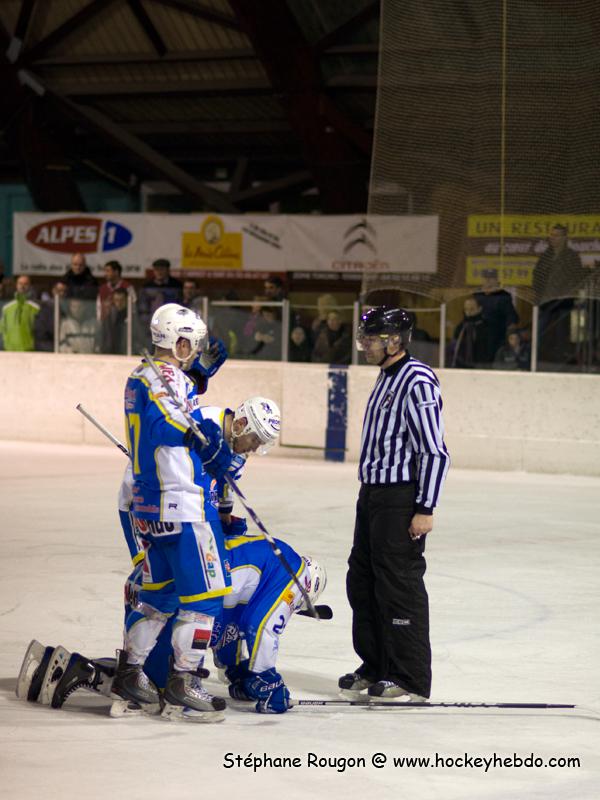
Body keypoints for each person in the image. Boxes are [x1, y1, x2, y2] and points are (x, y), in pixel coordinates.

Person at [15, 526, 327, 717]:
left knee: (149, 681)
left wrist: (237, 672)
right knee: (158, 690)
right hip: (185, 590)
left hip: (156, 581)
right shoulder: (294, 574)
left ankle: (49, 666)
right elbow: (263, 626)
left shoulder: (263, 569)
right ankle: (77, 671)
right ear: (308, 590)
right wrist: (266, 678)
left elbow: (232, 626)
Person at [112, 303, 235, 722]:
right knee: (207, 598)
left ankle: (131, 673)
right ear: (179, 342)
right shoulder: (164, 376)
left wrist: (197, 378)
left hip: (151, 507)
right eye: (191, 344)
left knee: (158, 598)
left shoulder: (140, 375)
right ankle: (184, 680)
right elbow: (166, 420)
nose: (194, 351)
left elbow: (170, 404)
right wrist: (204, 439)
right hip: (182, 505)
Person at [340, 307, 450, 702]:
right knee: (363, 581)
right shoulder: (386, 376)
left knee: (399, 586)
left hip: (399, 499)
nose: (366, 344)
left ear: (395, 341)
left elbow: (434, 451)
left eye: (372, 338)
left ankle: (409, 677)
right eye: (365, 337)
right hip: (372, 495)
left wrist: (425, 507)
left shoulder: (416, 380)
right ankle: (377, 665)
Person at [533, 225, 586, 365]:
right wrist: (538, 296)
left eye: (556, 235)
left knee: (561, 333)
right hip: (546, 301)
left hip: (563, 302)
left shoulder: (572, 256)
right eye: (551, 235)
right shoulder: (545, 256)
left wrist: (570, 295)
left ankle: (562, 361)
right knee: (540, 331)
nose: (553, 238)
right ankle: (537, 359)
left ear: (565, 237)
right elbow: (537, 277)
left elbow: (577, 279)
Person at [474, 269, 519, 358]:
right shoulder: (478, 294)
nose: (488, 281)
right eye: (485, 278)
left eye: (491, 278)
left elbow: (511, 316)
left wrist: (511, 330)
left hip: (496, 332)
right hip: (478, 332)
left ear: (497, 281)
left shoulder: (503, 296)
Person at [451, 295, 493, 368]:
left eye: (472, 309)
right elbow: (455, 346)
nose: (468, 312)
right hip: (461, 365)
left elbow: (489, 348)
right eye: (466, 309)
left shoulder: (487, 327)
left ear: (479, 309)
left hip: (481, 365)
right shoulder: (461, 326)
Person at [0, 275, 40, 351]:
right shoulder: (7, 307)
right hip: (9, 349)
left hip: (29, 349)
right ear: (16, 285)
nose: (22, 286)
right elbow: (2, 328)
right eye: (20, 283)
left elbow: (39, 330)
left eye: (25, 284)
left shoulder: (36, 307)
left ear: (30, 286)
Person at [34, 280, 68, 352]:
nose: (62, 293)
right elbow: (42, 332)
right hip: (47, 348)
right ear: (53, 291)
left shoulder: (66, 308)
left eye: (64, 291)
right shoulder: (46, 308)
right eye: (59, 291)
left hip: (60, 347)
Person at [98, 287, 130, 354]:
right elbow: (102, 339)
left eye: (122, 300)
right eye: (116, 300)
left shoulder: (132, 317)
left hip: (127, 354)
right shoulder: (108, 318)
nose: (119, 303)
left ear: (127, 301)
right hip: (110, 354)